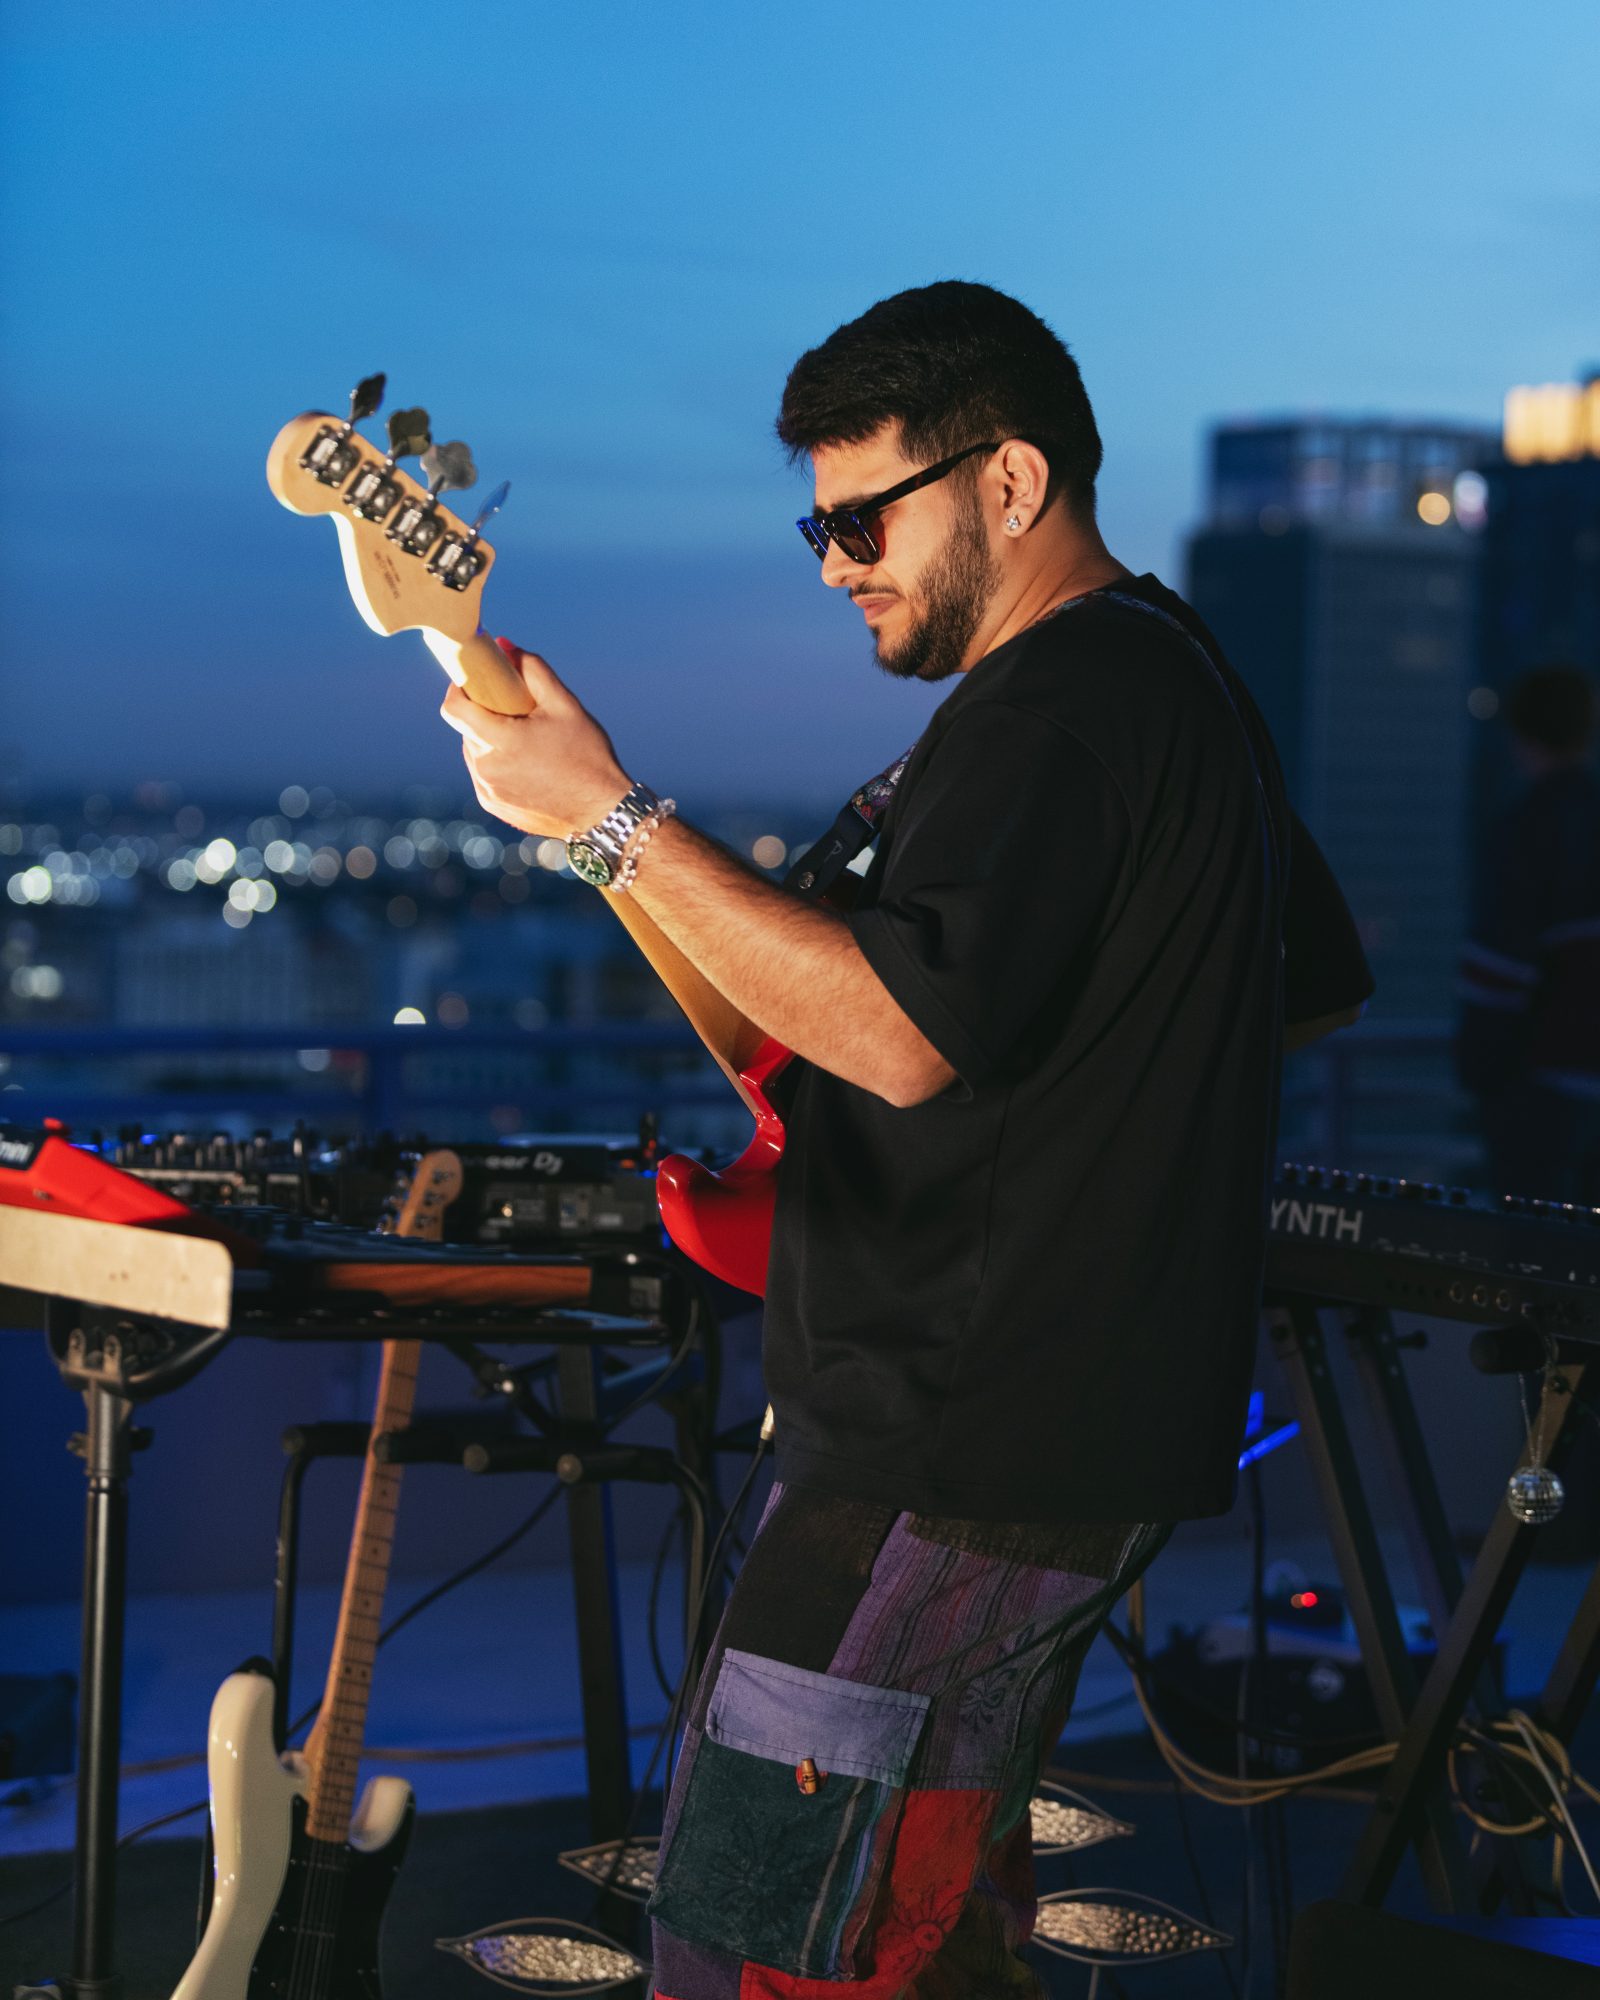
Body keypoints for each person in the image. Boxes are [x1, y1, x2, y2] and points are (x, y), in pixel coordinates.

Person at [440, 282, 1371, 1999]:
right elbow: (1289, 987)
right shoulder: (1165, 679)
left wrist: (617, 817)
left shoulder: (1058, 708)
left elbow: (894, 1034)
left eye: (862, 519)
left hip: (960, 1442)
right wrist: (592, 831)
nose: (833, 565)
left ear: (1008, 481)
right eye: (818, 526)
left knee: (760, 1946)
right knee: (913, 1934)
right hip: (1011, 1434)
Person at [1457, 664, 1600, 1205]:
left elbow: (1497, 966)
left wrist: (1480, 1068)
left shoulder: (1526, 828)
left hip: (1539, 1088)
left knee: (1531, 1240)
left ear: (1521, 735)